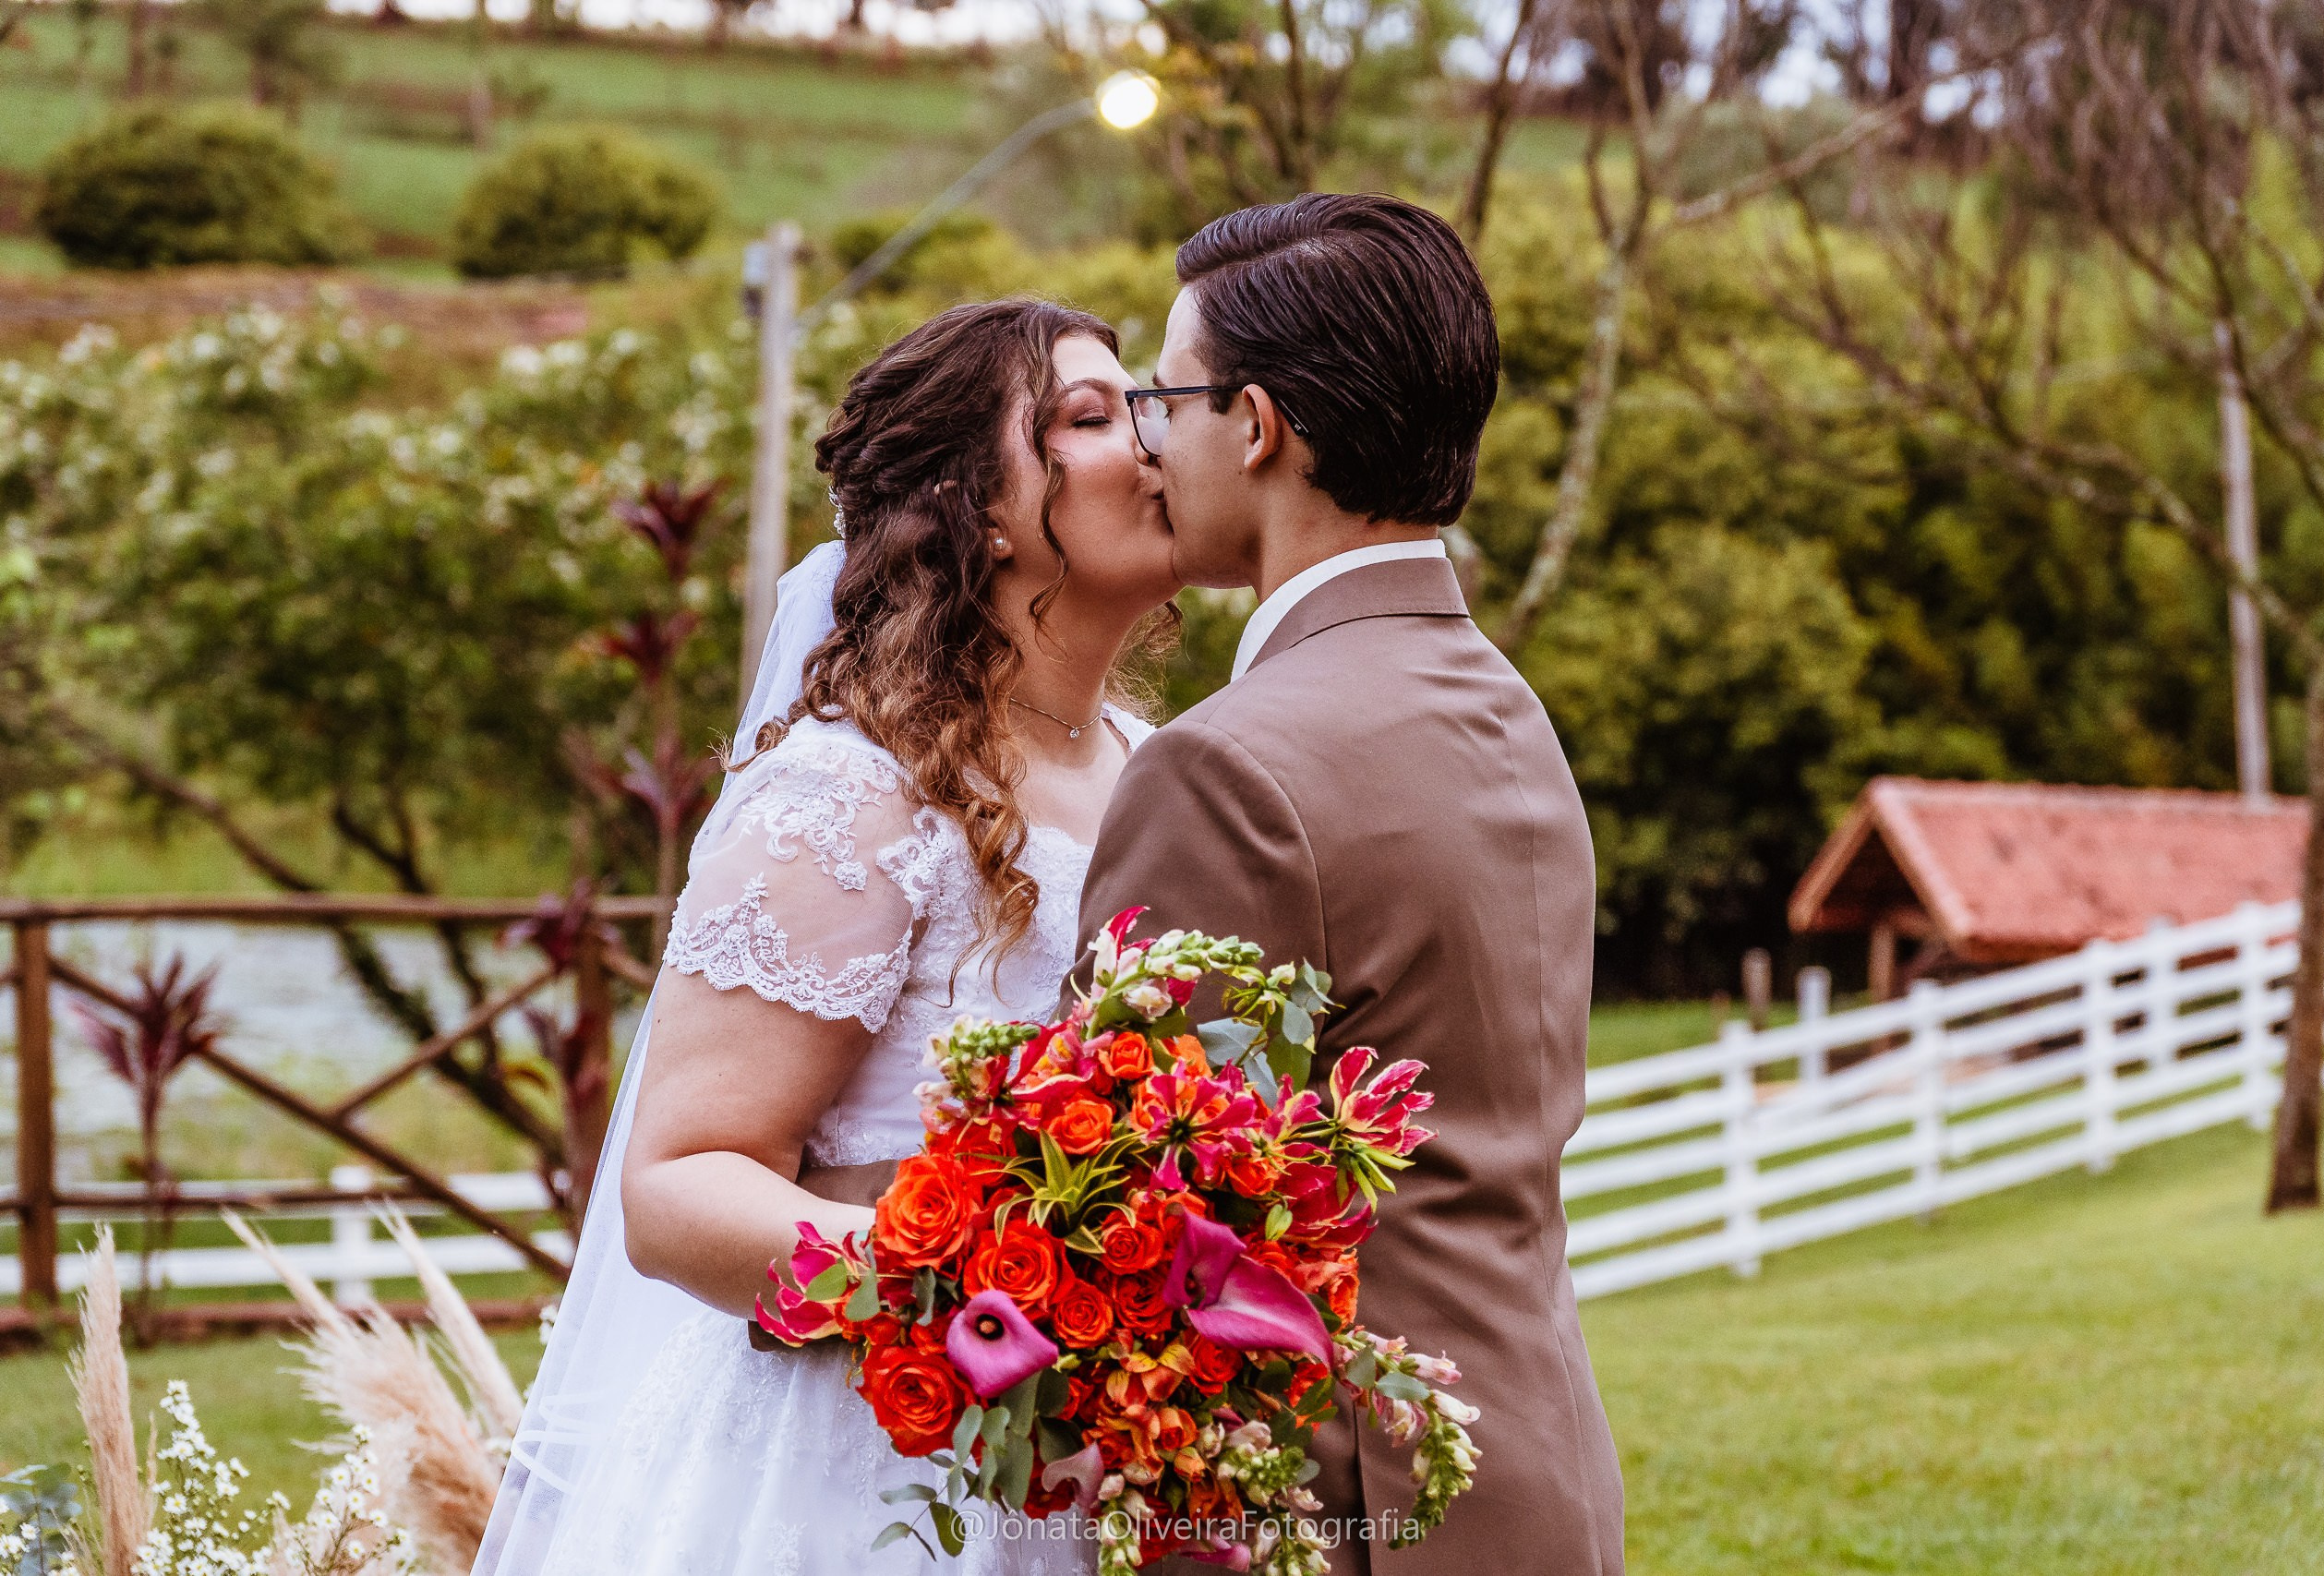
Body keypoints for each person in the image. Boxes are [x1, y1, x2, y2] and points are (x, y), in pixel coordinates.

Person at [473, 298, 1180, 1576]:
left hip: (1106, 1461)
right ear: (979, 511)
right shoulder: (855, 792)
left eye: (1143, 407)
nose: (1151, 441)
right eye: (1089, 418)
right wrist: (990, 1284)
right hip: (868, 1474)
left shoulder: (1163, 769)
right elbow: (677, 1189)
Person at [1074, 193, 1626, 1575]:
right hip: (1536, 1467)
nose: (1148, 443)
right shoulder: (1508, 710)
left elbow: (1141, 1221)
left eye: (1165, 400)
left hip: (1340, 1505)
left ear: (1257, 427)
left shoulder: (1226, 769)